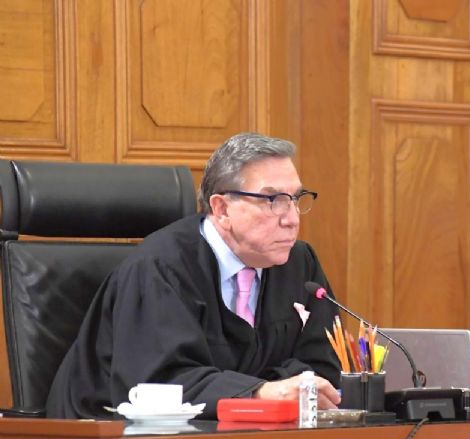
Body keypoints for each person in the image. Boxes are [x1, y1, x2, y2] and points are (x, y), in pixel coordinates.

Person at [46, 132, 343, 419]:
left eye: (295, 198)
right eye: (273, 200)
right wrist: (262, 392)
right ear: (222, 208)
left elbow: (323, 367)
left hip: (234, 437)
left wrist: (269, 392)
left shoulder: (298, 264)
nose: (291, 219)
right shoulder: (160, 269)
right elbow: (161, 384)